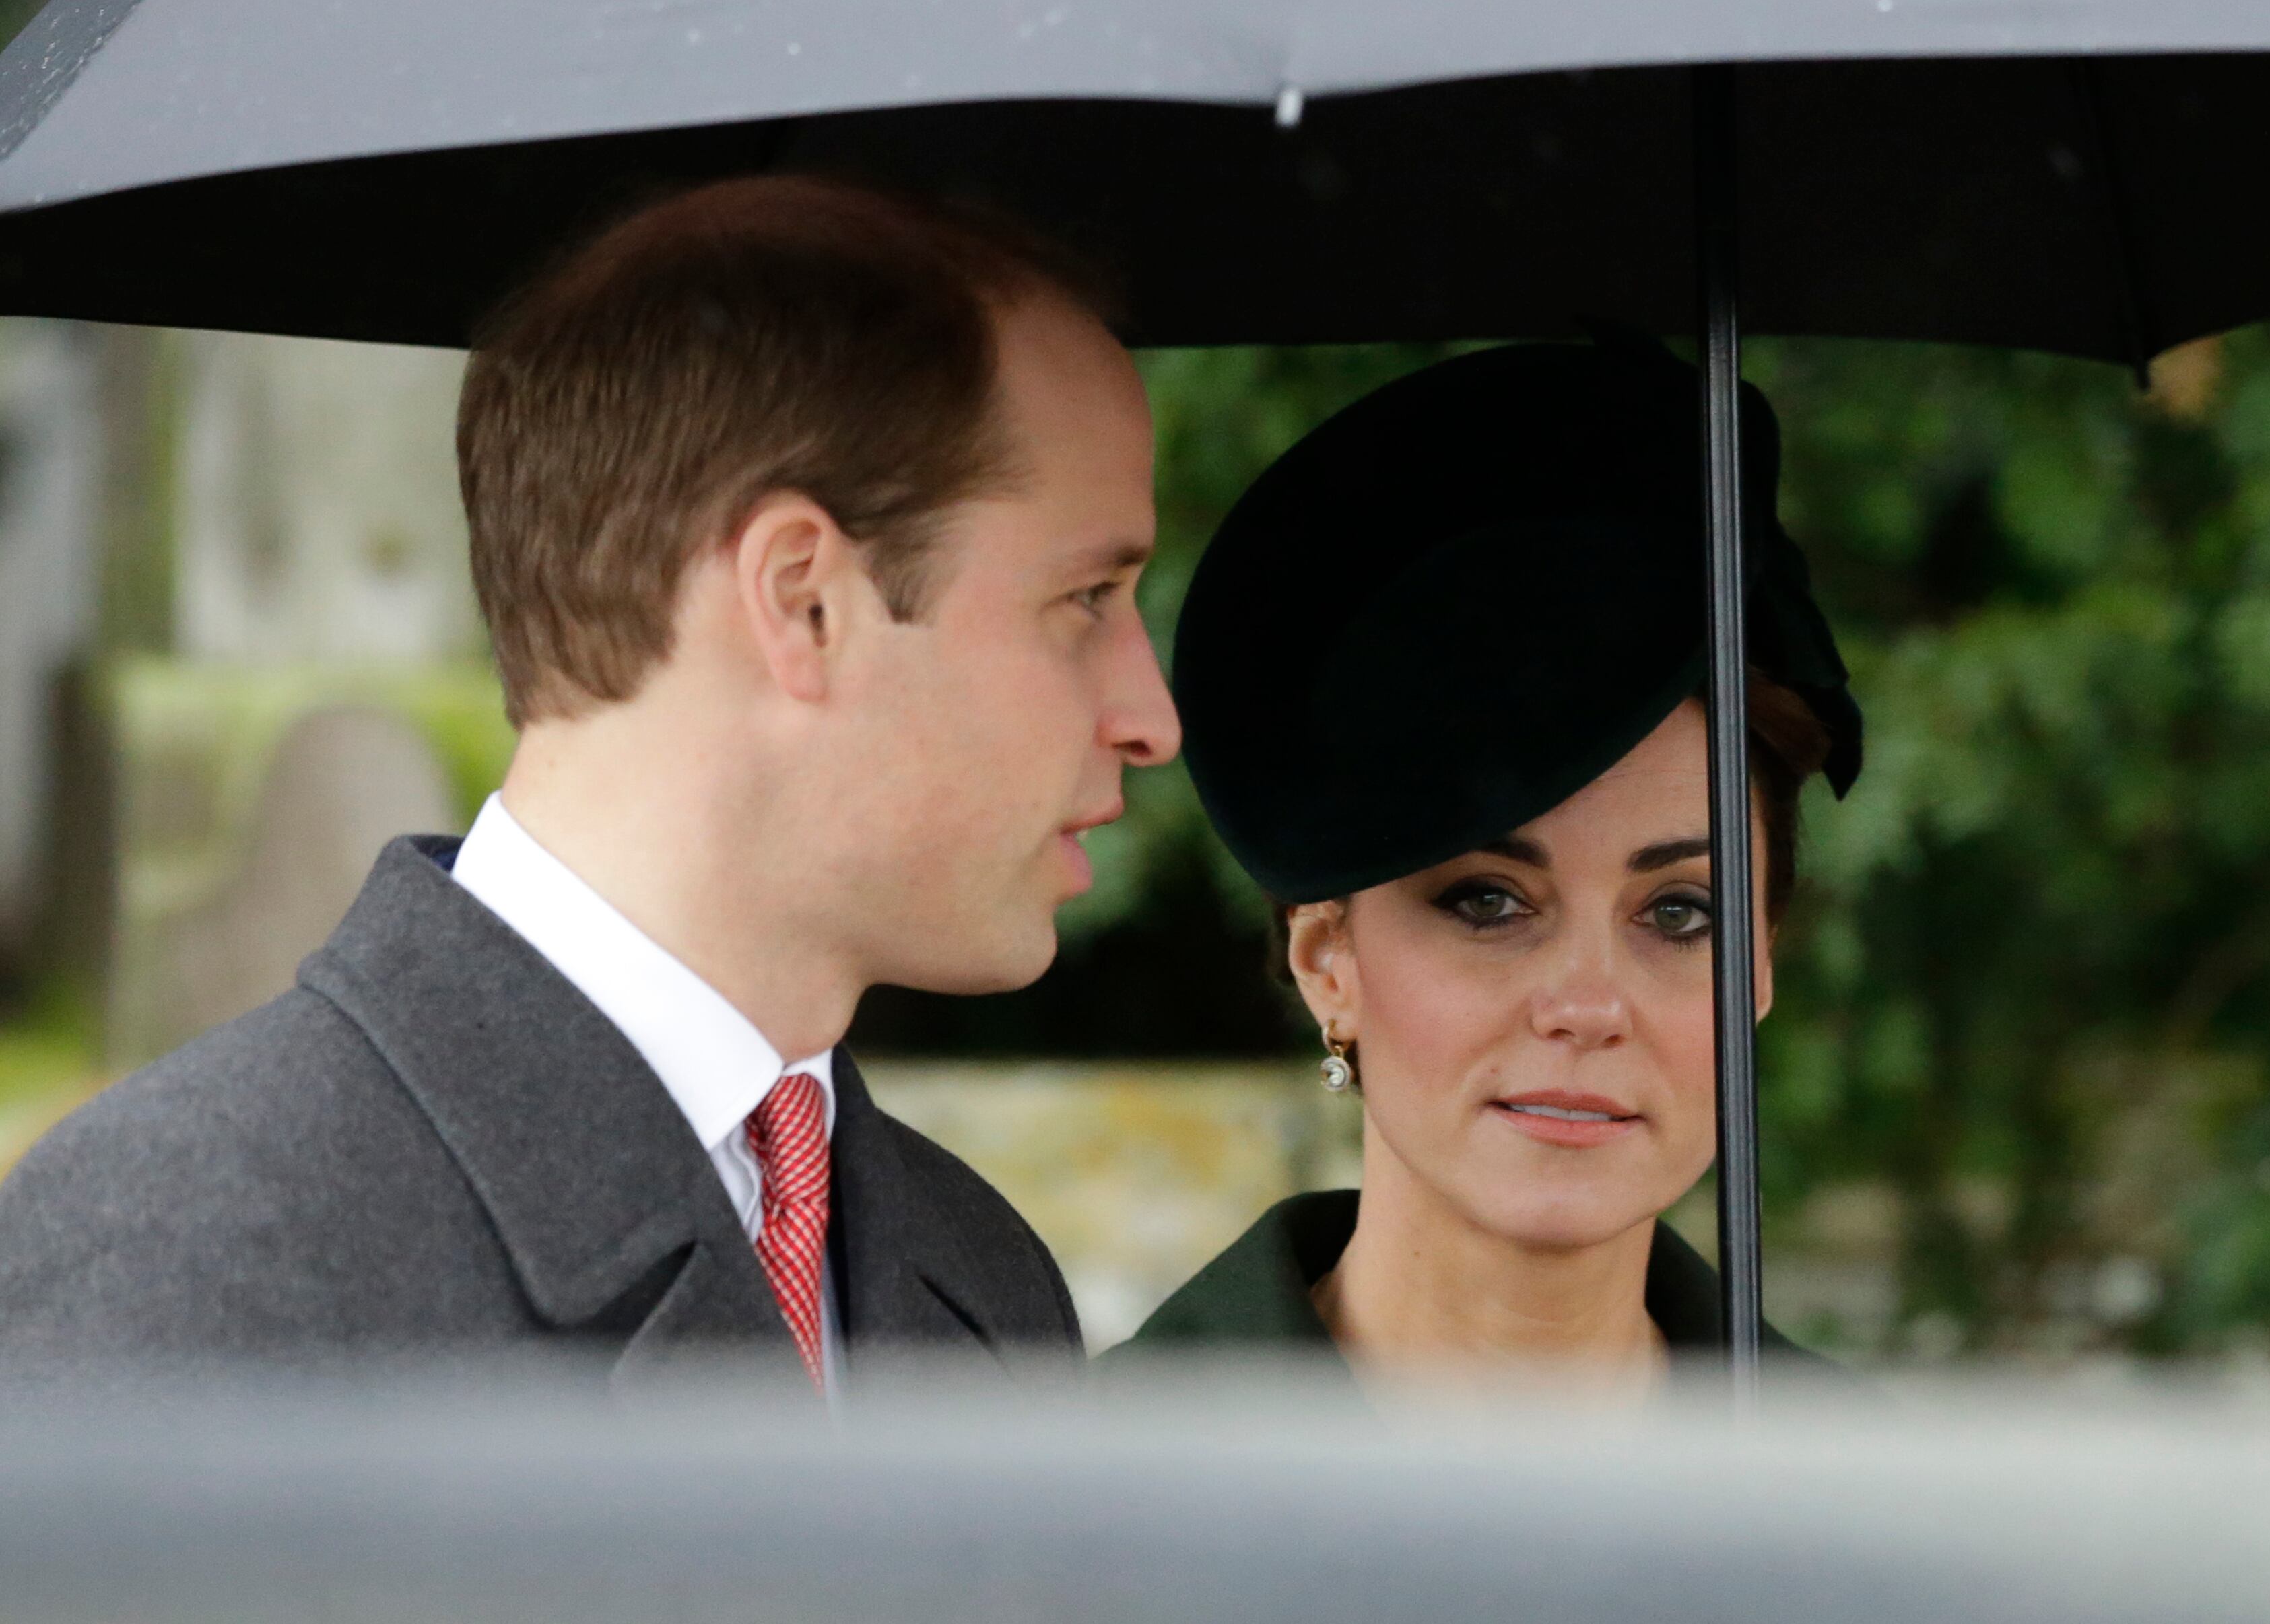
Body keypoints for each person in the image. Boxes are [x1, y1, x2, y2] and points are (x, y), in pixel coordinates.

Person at [0, 176, 1180, 1390]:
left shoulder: (980, 1277)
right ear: (803, 600)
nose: (1153, 720)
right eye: (1086, 599)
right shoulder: (195, 1258)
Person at [1107, 341, 1859, 1393]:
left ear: (1761, 967)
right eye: (1491, 901)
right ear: (1327, 957)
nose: (1587, 1006)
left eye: (1679, 913)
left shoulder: (1876, 1483)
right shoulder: (1075, 1476)